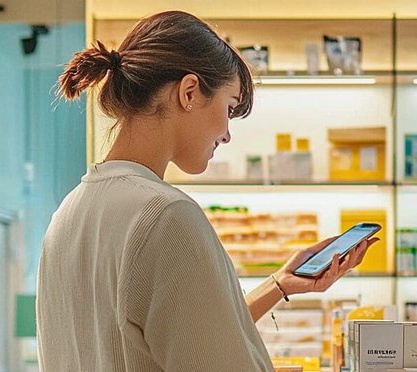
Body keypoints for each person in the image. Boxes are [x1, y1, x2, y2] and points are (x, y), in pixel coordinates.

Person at [37, 10, 377, 371]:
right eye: (229, 108)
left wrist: (279, 285)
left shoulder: (68, 213)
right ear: (189, 92)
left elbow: (158, 339)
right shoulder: (165, 215)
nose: (227, 134)